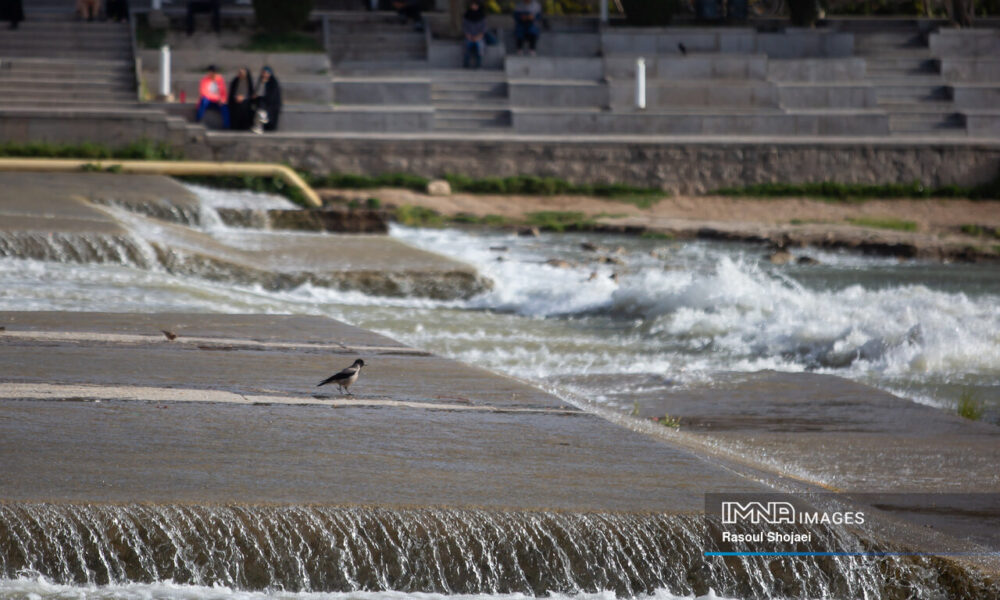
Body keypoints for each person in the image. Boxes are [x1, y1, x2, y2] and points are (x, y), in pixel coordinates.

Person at [252, 66, 281, 134]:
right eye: (263, 73)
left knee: (261, 109)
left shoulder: (273, 82)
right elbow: (258, 92)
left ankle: (259, 125)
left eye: (266, 73)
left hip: (271, 103)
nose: (265, 75)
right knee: (260, 107)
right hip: (261, 102)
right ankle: (263, 118)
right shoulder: (260, 82)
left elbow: (273, 96)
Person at [228, 67, 255, 131]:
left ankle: (245, 126)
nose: (241, 75)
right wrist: (236, 97)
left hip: (247, 101)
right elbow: (232, 93)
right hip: (235, 100)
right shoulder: (235, 81)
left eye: (243, 73)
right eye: (240, 73)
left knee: (244, 106)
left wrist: (244, 98)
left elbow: (251, 94)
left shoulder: (249, 82)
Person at [462, 1, 487, 69]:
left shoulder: (482, 16)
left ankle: (478, 64)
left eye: (475, 5)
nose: (474, 7)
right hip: (469, 37)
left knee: (480, 45)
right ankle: (466, 64)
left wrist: (478, 37)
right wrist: (468, 36)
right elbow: (464, 28)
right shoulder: (467, 16)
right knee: (467, 45)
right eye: (472, 5)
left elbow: (483, 29)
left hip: (479, 37)